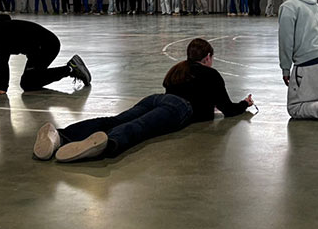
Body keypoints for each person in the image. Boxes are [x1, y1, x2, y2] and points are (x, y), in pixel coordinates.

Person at [32, 39, 252, 162]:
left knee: (115, 119)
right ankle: (106, 145)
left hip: (157, 99)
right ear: (208, 58)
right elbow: (229, 109)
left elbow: (173, 90)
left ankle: (61, 136)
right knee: (140, 128)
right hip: (179, 109)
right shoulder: (211, 74)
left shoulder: (178, 69)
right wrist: (245, 103)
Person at [0, 15, 91, 96]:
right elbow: (0, 61)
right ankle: (70, 68)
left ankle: (71, 69)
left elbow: (1, 61)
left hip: (46, 46)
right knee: (29, 82)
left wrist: (1, 87)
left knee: (29, 82)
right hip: (38, 48)